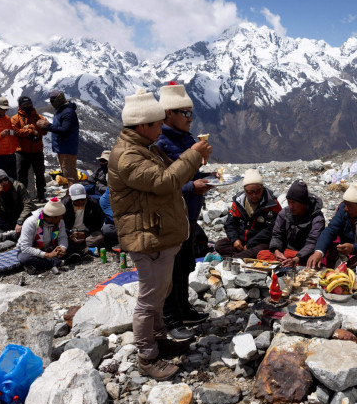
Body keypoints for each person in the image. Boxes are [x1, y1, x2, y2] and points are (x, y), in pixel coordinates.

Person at [108, 88, 210, 380]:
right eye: (156, 123)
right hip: (146, 235)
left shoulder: (145, 146)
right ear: (143, 125)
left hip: (156, 232)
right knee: (150, 298)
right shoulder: (129, 155)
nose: (160, 127)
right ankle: (147, 356)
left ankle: (158, 339)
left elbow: (171, 176)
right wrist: (192, 154)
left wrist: (194, 159)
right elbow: (165, 181)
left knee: (160, 291)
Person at [156, 81, 216, 329]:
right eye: (186, 113)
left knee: (185, 265)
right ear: (169, 113)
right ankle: (169, 317)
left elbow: (187, 172)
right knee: (170, 269)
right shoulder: (160, 143)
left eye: (191, 113)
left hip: (189, 214)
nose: (190, 118)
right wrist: (193, 187)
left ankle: (183, 308)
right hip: (172, 216)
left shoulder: (185, 138)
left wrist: (204, 173)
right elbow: (160, 185)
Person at [215, 169, 282, 259]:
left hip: (260, 242)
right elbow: (230, 223)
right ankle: (240, 256)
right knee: (219, 245)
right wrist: (235, 239)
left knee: (262, 249)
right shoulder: (239, 202)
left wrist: (250, 244)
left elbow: (272, 229)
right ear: (245, 190)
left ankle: (234, 257)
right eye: (250, 192)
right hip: (242, 240)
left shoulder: (272, 204)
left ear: (262, 188)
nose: (254, 195)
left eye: (257, 191)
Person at [263, 180, 325, 267]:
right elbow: (277, 235)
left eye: (294, 203)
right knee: (262, 254)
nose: (290, 206)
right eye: (289, 202)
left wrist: (297, 258)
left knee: (312, 262)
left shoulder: (317, 218)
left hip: (304, 255)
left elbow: (312, 242)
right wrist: (277, 251)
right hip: (286, 253)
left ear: (303, 203)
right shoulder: (284, 213)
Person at [16, 198, 75, 275]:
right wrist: (47, 255)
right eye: (60, 216)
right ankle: (58, 262)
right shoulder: (30, 222)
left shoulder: (60, 221)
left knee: (71, 246)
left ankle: (47, 263)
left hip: (49, 246)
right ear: (52, 217)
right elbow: (25, 247)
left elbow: (62, 237)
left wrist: (63, 248)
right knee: (24, 258)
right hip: (33, 248)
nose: (61, 218)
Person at [37, 90, 79, 186]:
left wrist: (47, 126)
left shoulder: (67, 112)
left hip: (67, 148)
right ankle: (72, 194)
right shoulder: (61, 111)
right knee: (68, 173)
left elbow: (65, 130)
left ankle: (74, 197)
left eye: (53, 101)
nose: (52, 104)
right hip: (63, 148)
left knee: (70, 174)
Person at [12, 96, 47, 203]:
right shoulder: (15, 118)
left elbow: (45, 131)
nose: (28, 106)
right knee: (21, 176)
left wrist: (39, 128)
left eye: (29, 104)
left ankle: (41, 196)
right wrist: (31, 132)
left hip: (37, 151)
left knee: (40, 175)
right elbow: (15, 132)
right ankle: (22, 198)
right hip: (21, 151)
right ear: (20, 106)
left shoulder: (38, 117)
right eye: (25, 105)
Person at [0, 169, 34, 242]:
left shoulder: (18, 186)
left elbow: (28, 204)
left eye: (5, 179)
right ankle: (18, 230)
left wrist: (20, 222)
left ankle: (18, 230)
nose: (4, 182)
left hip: (22, 214)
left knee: (35, 217)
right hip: (8, 217)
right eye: (0, 181)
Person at [62, 183, 104, 254]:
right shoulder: (64, 205)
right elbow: (60, 224)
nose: (80, 202)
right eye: (76, 200)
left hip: (87, 233)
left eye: (82, 199)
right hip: (70, 233)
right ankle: (82, 248)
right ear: (70, 197)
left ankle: (77, 248)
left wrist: (85, 233)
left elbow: (99, 222)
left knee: (99, 237)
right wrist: (70, 233)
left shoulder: (93, 203)